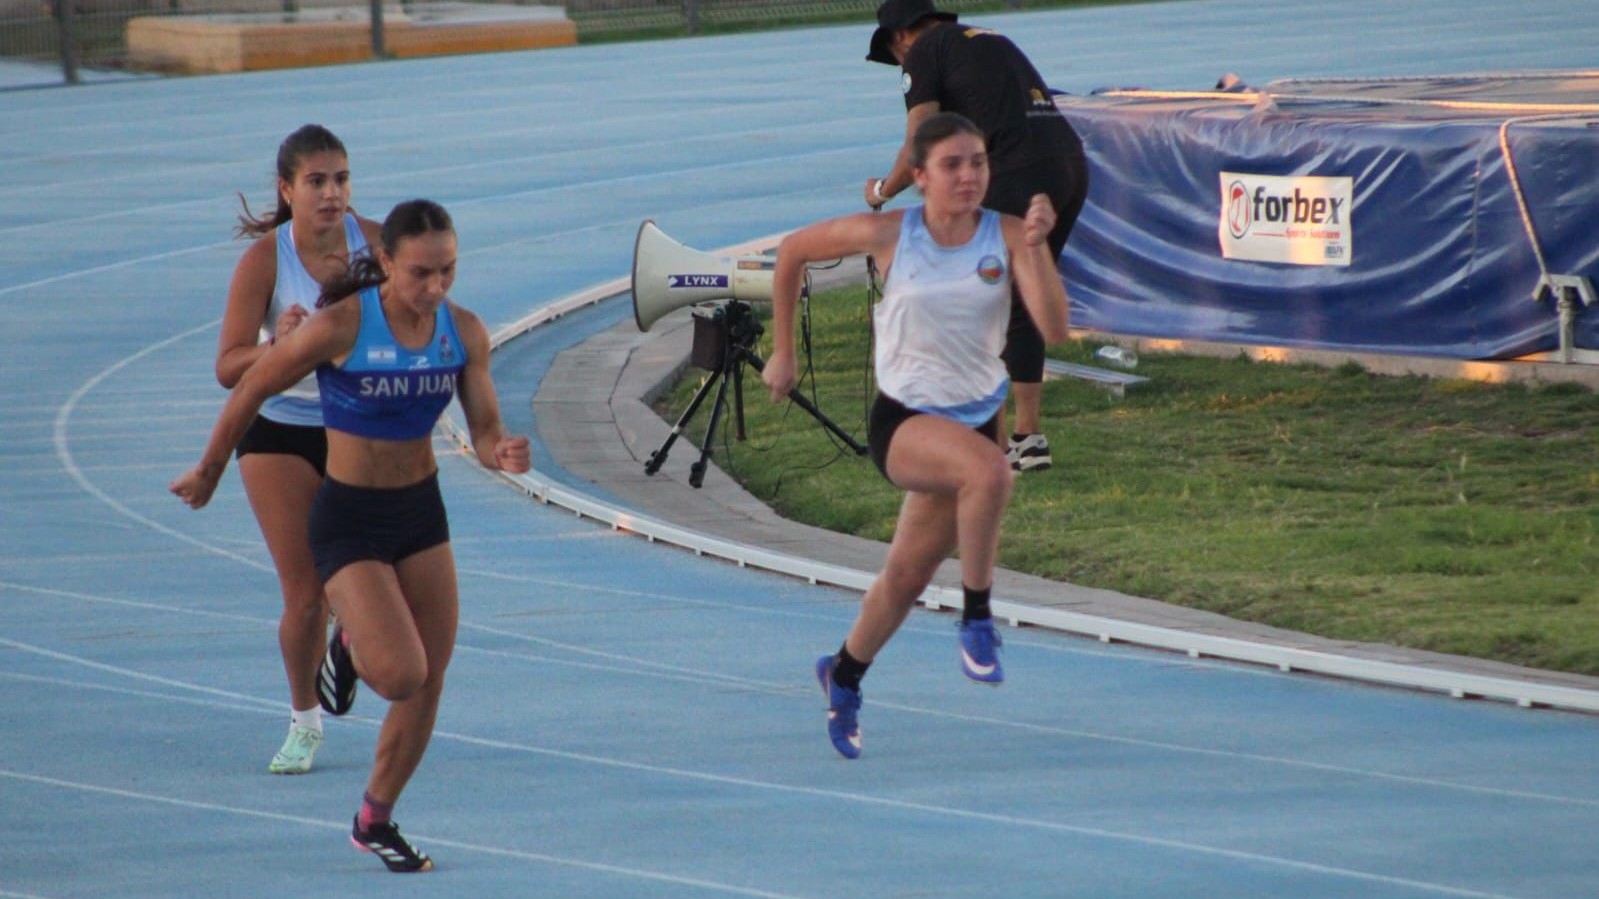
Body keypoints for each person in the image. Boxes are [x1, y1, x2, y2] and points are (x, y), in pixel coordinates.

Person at [173, 199, 531, 871]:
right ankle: (350, 645)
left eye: (448, 271)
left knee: (431, 678)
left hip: (420, 514)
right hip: (349, 518)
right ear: (387, 263)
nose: (435, 288)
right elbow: (251, 386)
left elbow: (482, 428)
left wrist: (499, 452)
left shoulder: (464, 332)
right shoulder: (341, 326)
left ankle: (376, 817)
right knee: (399, 672)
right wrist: (209, 470)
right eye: (421, 273)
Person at [763, 113, 1068, 759]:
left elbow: (1055, 328)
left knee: (904, 575)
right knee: (990, 472)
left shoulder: (1009, 234)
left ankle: (842, 675)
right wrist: (782, 352)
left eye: (978, 162)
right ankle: (978, 617)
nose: (968, 175)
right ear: (921, 177)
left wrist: (1037, 248)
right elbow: (790, 251)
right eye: (953, 164)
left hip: (971, 418)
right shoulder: (888, 234)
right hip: (902, 422)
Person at [218, 124, 383, 775]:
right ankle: (304, 721)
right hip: (278, 429)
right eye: (316, 181)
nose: (331, 193)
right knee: (304, 591)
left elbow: (414, 326)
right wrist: (277, 348)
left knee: (369, 574)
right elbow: (229, 366)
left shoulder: (375, 245)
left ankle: (350, 639)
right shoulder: (265, 259)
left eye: (340, 179)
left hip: (355, 426)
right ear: (288, 190)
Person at [863, 0, 1088, 473]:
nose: (900, 66)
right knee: (1018, 303)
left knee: (980, 301)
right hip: (1069, 165)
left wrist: (882, 190)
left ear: (900, 37)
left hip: (1016, 172)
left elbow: (918, 140)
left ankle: (987, 439)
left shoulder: (924, 52)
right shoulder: (984, 38)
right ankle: (1027, 440)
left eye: (894, 56)